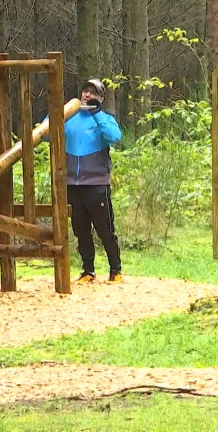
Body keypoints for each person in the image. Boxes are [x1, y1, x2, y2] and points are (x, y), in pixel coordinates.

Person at [65, 78, 124, 284]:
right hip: (72, 184)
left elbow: (115, 136)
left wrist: (96, 113)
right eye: (84, 91)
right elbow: (46, 129)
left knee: (105, 229)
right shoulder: (69, 118)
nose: (87, 95)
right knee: (81, 231)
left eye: (92, 92)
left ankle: (115, 270)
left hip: (97, 184)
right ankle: (88, 271)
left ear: (100, 98)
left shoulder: (104, 119)